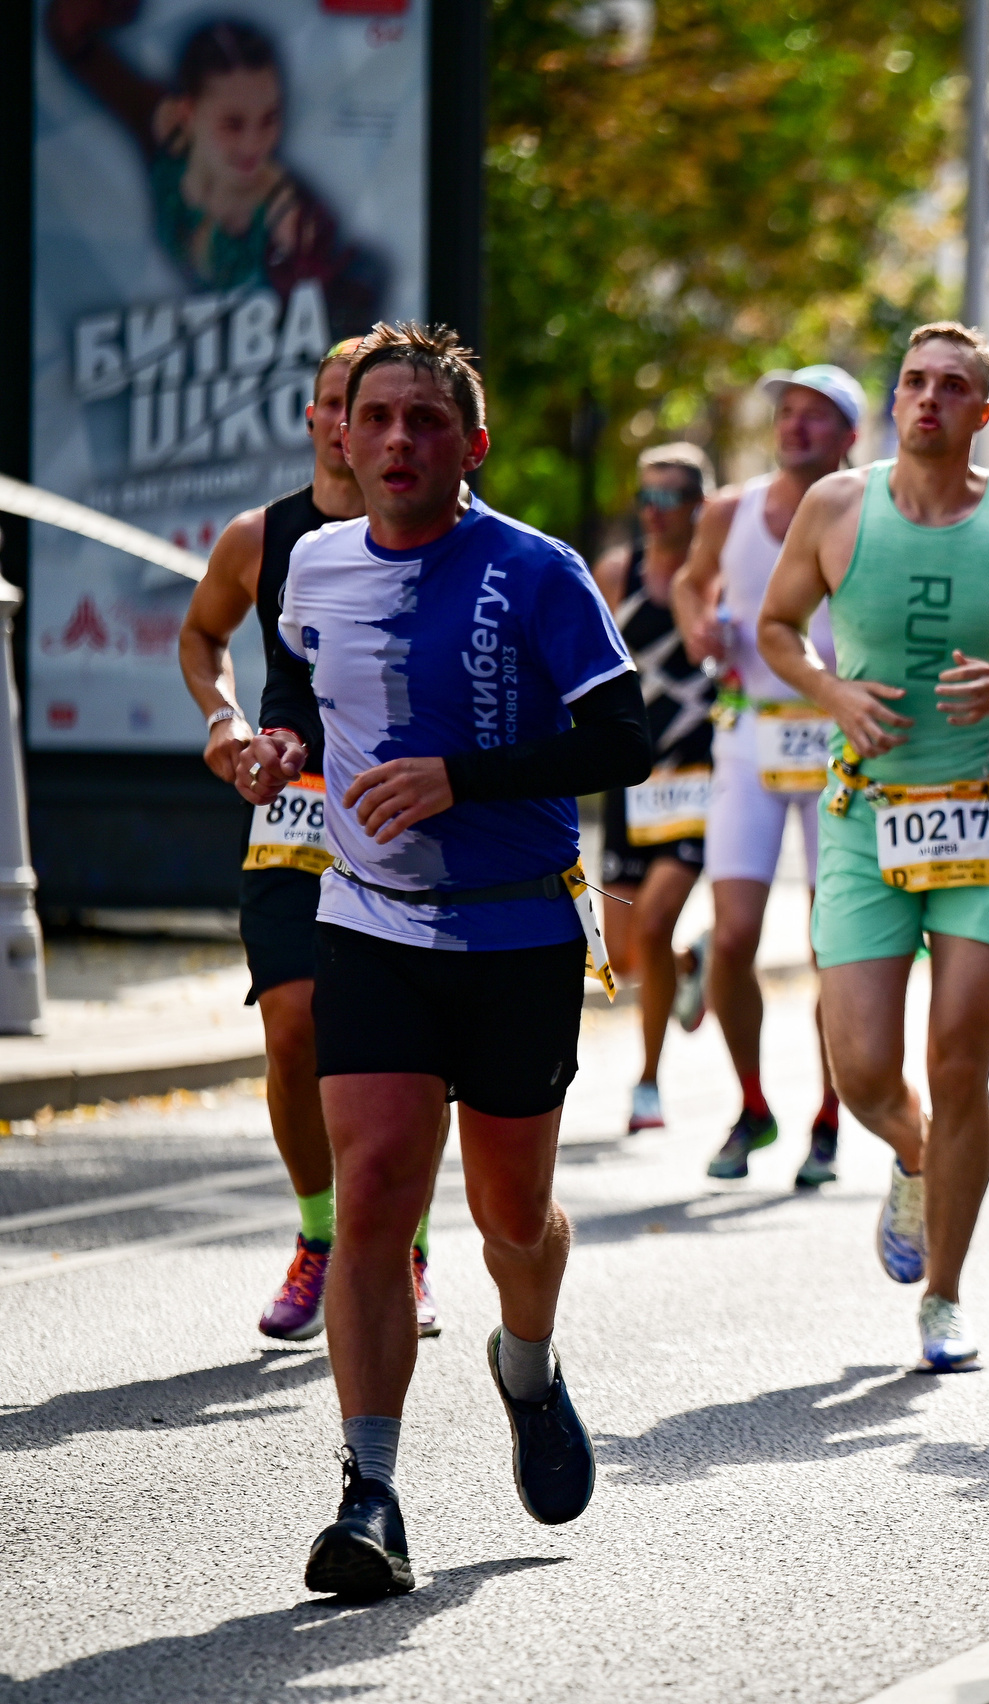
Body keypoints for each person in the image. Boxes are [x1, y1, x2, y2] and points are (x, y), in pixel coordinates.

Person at [232, 322, 650, 1599]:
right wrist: (278, 751)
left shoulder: (536, 570)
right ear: (341, 439)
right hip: (367, 919)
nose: (400, 439)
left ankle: (527, 1362)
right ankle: (370, 1496)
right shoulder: (310, 564)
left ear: (470, 445)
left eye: (427, 421)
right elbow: (308, 696)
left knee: (512, 1218)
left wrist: (460, 775)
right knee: (373, 1196)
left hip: (517, 930)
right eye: (378, 418)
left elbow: (623, 739)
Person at [756, 322, 989, 1373]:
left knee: (959, 1060)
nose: (929, 399)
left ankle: (944, 1294)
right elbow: (774, 628)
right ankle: (911, 1156)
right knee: (860, 1068)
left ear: (982, 413)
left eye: (953, 387)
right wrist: (830, 689)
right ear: (894, 399)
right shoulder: (836, 506)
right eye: (914, 382)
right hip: (866, 818)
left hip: (984, 816)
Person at [177, 337, 440, 1342]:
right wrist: (226, 722)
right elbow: (202, 635)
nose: (351, 424)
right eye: (338, 404)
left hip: (399, 810)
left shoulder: (425, 535)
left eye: (370, 407)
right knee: (292, 1024)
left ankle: (405, 1244)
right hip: (293, 806)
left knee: (404, 1046)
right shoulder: (263, 535)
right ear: (316, 419)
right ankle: (321, 1235)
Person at [673, 366, 864, 1183]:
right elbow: (691, 581)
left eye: (815, 417)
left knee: (833, 943)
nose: (795, 428)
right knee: (736, 937)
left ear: (848, 435)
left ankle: (829, 1113)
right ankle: (752, 1106)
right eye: (786, 414)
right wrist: (697, 629)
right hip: (750, 737)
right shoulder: (731, 510)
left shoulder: (870, 512)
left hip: (836, 740)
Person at [45, 1, 377, 321]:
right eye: (232, 124)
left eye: (269, 119)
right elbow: (71, 37)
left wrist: (304, 273)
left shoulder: (297, 220)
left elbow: (352, 319)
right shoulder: (164, 130)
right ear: (188, 113)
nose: (254, 145)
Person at [594, 443, 720, 1133]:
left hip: (701, 771)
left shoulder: (715, 573)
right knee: (622, 953)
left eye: (670, 497)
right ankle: (687, 965)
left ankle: (647, 1085)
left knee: (654, 915)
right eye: (646, 495)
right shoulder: (618, 571)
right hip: (633, 776)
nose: (654, 509)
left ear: (698, 505)